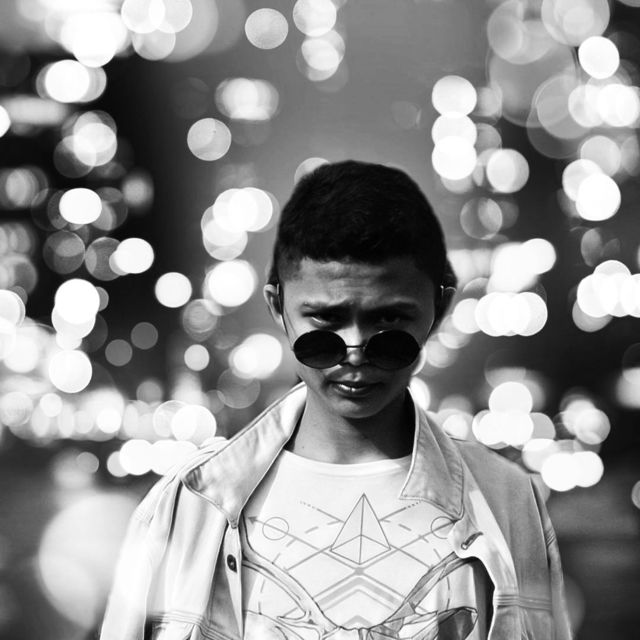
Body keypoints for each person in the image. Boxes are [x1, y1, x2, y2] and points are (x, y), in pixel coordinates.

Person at [100, 160, 572, 640]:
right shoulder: (189, 505)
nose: (355, 352)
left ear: (439, 308)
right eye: (326, 323)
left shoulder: (508, 502)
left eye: (390, 322)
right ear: (278, 307)